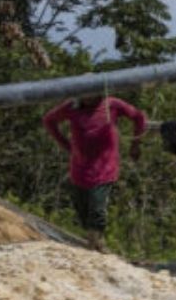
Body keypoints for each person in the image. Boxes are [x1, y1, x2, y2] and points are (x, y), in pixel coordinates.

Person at [42, 92, 147, 251]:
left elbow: (139, 117)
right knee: (81, 207)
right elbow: (49, 120)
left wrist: (135, 144)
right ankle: (92, 237)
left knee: (97, 207)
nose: (88, 96)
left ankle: (96, 241)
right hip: (80, 167)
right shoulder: (72, 106)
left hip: (104, 167)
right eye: (85, 92)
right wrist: (64, 144)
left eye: (92, 92)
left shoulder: (111, 104)